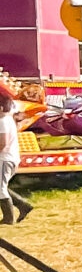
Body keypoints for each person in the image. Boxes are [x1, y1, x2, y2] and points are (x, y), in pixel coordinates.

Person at [0, 86, 27, 223]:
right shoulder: (9, 119)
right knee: (2, 186)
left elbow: (2, 143)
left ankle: (8, 218)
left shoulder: (3, 121)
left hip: (5, 159)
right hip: (10, 158)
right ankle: (23, 206)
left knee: (0, 188)